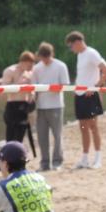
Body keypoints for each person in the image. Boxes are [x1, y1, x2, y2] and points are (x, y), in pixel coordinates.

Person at [65, 31, 106, 169]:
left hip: (90, 95)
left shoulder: (91, 53)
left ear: (77, 42)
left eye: (71, 46)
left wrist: (96, 87)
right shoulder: (80, 55)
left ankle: (98, 159)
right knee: (83, 127)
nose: (71, 49)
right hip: (79, 95)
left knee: (93, 127)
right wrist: (76, 91)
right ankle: (84, 159)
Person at [32, 42, 71, 170]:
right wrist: (32, 105)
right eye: (43, 57)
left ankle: (57, 161)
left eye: (47, 57)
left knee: (57, 135)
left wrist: (55, 88)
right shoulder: (37, 68)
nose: (45, 60)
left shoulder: (60, 66)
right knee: (42, 136)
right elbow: (34, 88)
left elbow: (65, 85)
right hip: (41, 106)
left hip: (56, 105)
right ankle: (44, 162)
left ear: (51, 55)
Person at [1, 51, 35, 143]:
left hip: (25, 105)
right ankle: (9, 155)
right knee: (11, 136)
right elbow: (4, 90)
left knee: (21, 134)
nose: (31, 67)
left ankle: (18, 155)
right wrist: (19, 84)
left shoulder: (30, 73)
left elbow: (33, 89)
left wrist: (32, 98)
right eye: (29, 65)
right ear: (24, 61)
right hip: (12, 105)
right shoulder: (10, 71)